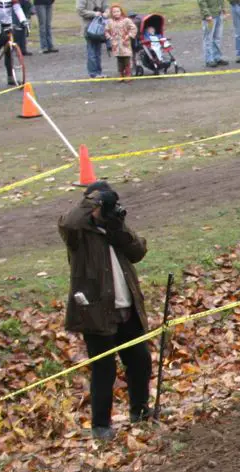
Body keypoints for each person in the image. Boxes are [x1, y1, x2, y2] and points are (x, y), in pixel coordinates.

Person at [59, 181, 152, 441]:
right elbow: (69, 222)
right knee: (104, 369)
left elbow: (138, 251)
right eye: (100, 204)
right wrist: (95, 200)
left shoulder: (113, 228)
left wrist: (117, 225)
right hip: (96, 312)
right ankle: (101, 425)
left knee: (140, 361)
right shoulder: (79, 235)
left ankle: (140, 411)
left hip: (127, 307)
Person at [0, 0, 28, 85]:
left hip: (7, 23)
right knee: (4, 37)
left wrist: (23, 20)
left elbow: (17, 9)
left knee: (8, 51)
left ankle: (10, 77)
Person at [76, 0, 108, 78]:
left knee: (98, 51)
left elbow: (106, 7)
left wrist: (106, 13)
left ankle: (98, 72)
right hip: (88, 28)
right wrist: (94, 14)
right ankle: (93, 73)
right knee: (92, 51)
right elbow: (80, 10)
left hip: (100, 27)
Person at [103, 3, 133, 81]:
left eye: (117, 11)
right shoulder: (109, 21)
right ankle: (121, 74)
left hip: (125, 43)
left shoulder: (126, 20)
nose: (116, 13)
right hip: (116, 44)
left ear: (121, 12)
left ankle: (128, 74)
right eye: (114, 12)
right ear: (111, 13)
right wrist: (109, 37)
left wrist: (128, 35)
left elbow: (133, 28)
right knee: (119, 59)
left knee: (126, 59)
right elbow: (106, 31)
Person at [198, 0, 227, 68]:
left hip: (219, 14)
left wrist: (223, 9)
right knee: (208, 38)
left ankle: (217, 58)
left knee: (217, 38)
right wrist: (207, 14)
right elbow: (201, 1)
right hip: (210, 16)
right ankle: (209, 60)